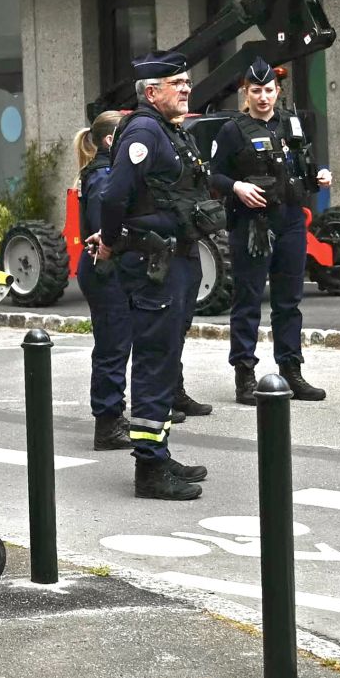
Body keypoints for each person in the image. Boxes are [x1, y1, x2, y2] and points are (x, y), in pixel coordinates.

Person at [96, 51, 215, 501]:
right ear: (152, 91)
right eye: (176, 82)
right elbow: (114, 196)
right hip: (154, 265)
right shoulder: (145, 130)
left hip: (176, 259)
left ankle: (160, 454)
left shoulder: (167, 129)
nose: (186, 88)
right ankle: (149, 470)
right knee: (153, 363)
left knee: (165, 363)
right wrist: (109, 240)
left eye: (187, 81)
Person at [209, 57, 332, 403]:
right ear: (245, 93)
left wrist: (319, 176)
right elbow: (212, 175)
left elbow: (302, 164)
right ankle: (244, 376)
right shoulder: (232, 130)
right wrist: (236, 187)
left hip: (291, 219)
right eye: (255, 91)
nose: (263, 97)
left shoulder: (290, 122)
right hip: (253, 224)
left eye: (268, 90)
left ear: (277, 91)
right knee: (247, 301)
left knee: (288, 301)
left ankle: (291, 370)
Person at [76, 111, 132, 449]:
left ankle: (114, 414)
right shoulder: (103, 176)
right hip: (104, 268)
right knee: (112, 347)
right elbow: (103, 231)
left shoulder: (102, 171)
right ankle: (108, 424)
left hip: (105, 270)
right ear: (111, 141)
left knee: (117, 344)